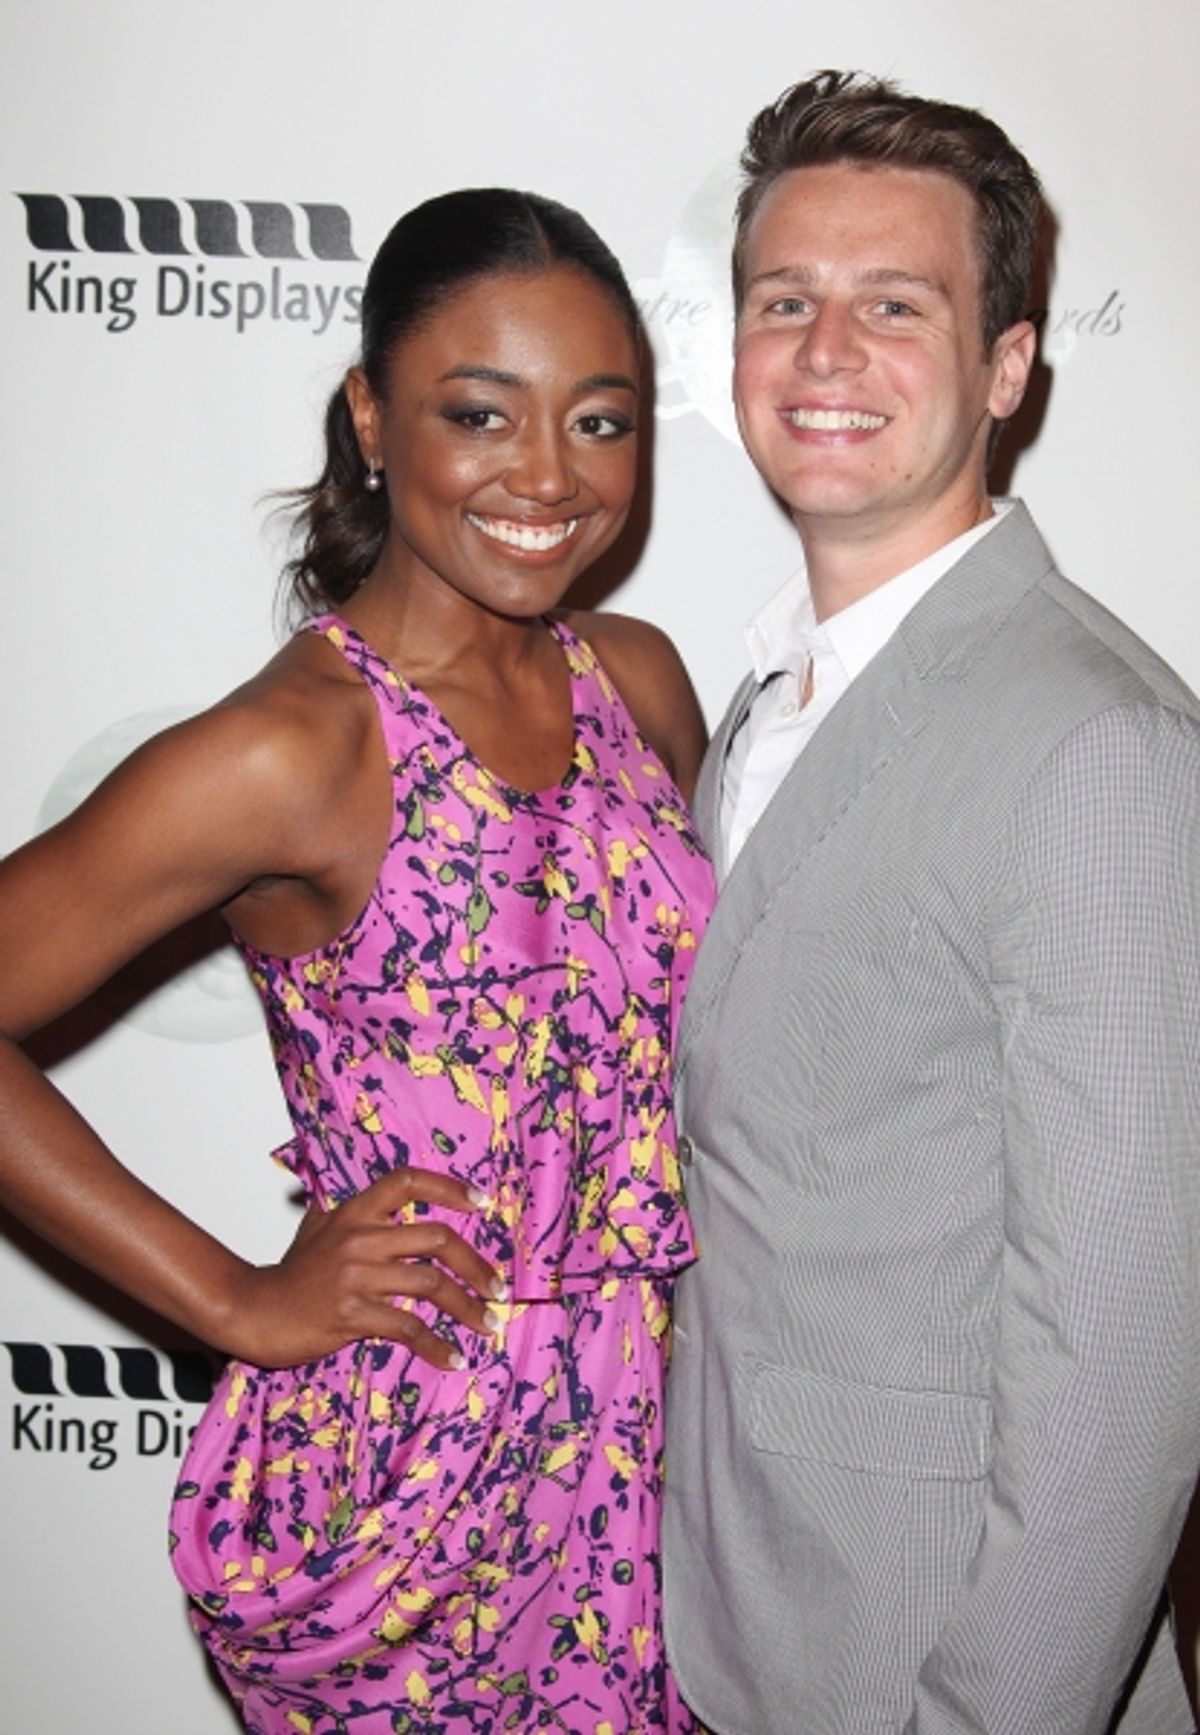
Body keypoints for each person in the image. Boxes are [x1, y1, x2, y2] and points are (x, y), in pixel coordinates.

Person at [0, 188, 712, 1734]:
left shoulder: (640, 681)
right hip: (415, 1487)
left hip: (664, 1461)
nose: (547, 477)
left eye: (601, 422)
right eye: (481, 413)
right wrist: (239, 1300)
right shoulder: (295, 749)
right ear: (372, 418)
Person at [661, 70, 1200, 1735]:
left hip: (932, 1654)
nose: (826, 354)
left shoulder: (1098, 742)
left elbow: (1124, 1367)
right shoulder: (761, 698)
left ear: (1008, 368)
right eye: (785, 302)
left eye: (894, 306)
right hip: (733, 1610)